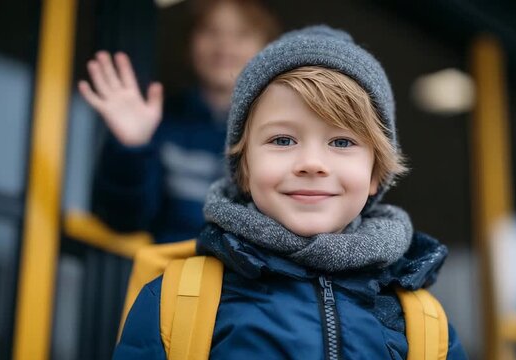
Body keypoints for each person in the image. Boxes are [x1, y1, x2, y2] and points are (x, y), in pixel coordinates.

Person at [113, 25, 467, 359]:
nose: (312, 163)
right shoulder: (175, 301)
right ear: (245, 167)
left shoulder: (424, 324)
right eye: (282, 140)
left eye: (341, 141)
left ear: (377, 173)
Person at [78, 0, 280, 243]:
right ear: (189, 42)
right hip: (173, 276)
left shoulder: (284, 130)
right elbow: (122, 221)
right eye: (210, 31)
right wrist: (132, 148)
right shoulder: (161, 122)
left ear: (268, 48)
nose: (224, 45)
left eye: (242, 34)